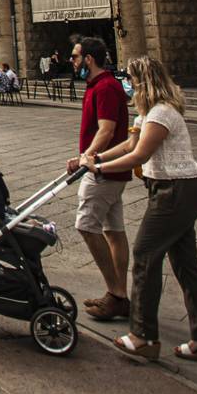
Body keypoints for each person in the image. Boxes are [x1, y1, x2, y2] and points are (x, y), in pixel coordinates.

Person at [83, 55, 197, 363]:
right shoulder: (147, 114)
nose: (127, 85)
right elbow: (129, 146)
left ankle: (143, 336)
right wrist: (96, 158)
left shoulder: (161, 113)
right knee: (186, 265)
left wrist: (100, 170)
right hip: (175, 189)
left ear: (143, 81)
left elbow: (139, 155)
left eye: (130, 79)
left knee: (145, 256)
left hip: (176, 191)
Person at [67, 35, 132, 322]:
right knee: (114, 231)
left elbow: (106, 130)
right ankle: (118, 293)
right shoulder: (99, 85)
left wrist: (88, 157)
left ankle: (116, 293)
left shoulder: (105, 86)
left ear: (88, 59)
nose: (72, 61)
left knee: (86, 225)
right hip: (110, 170)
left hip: (102, 171)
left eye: (75, 56)